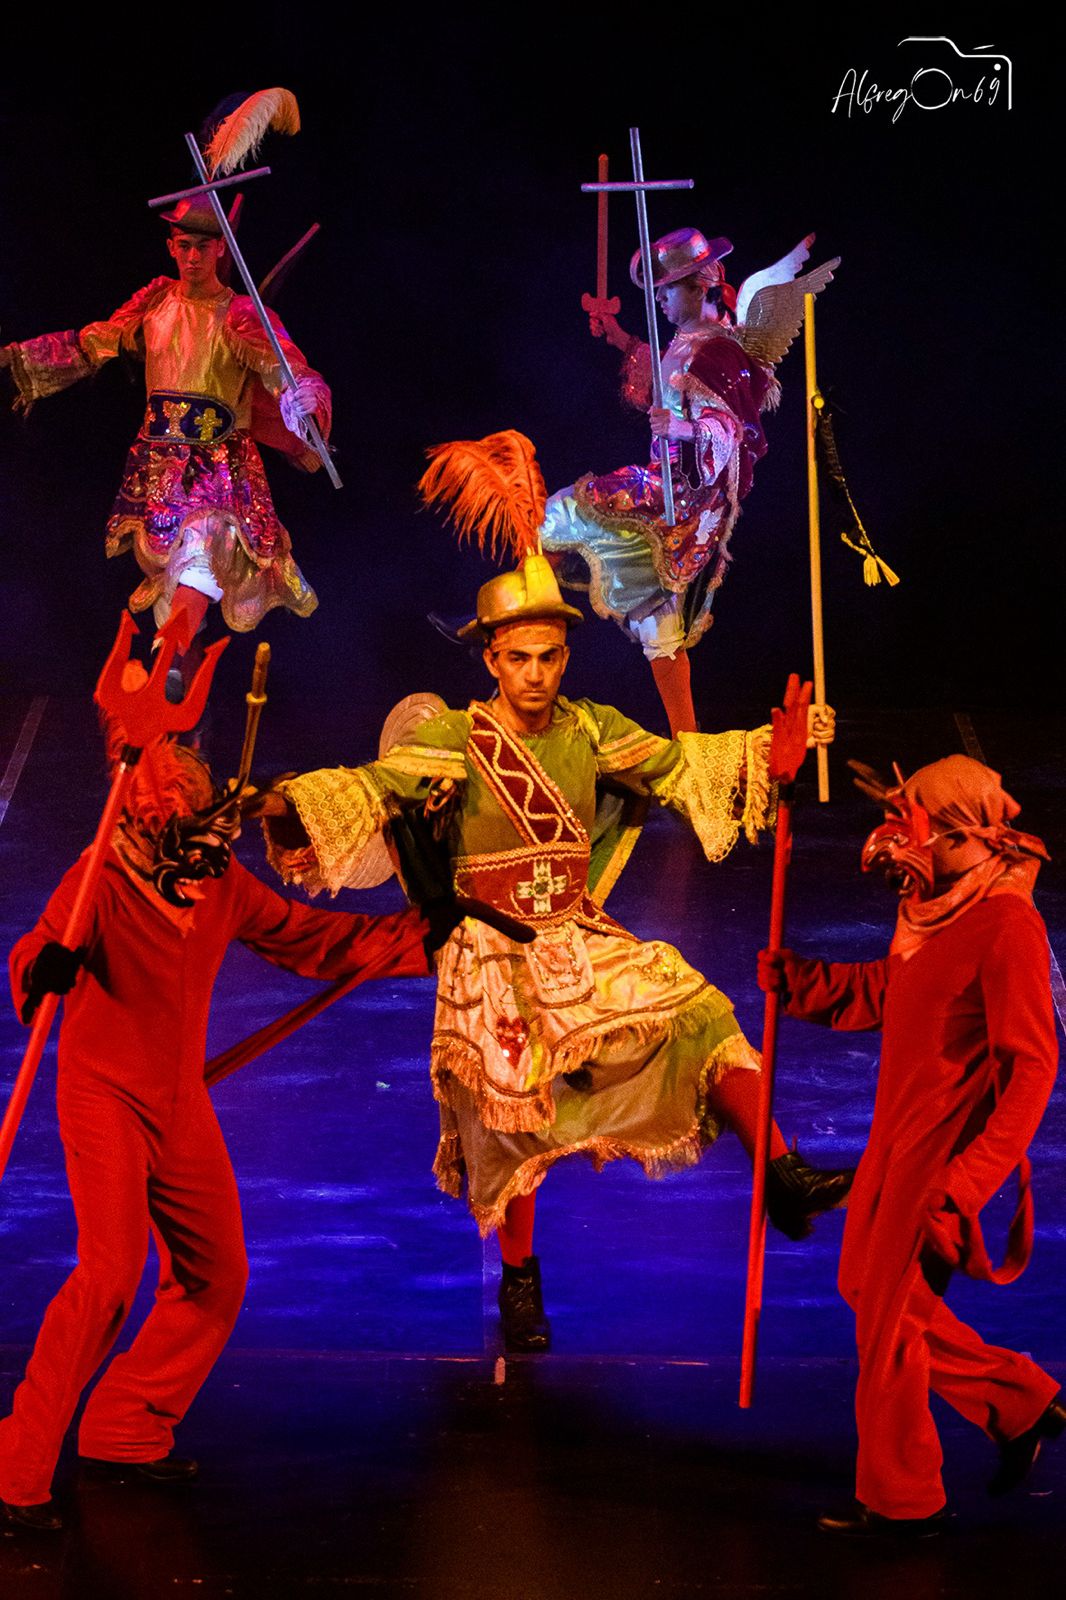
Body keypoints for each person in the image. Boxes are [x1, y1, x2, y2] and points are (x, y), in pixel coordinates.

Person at [261, 554, 851, 1353]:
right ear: (493, 659)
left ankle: (783, 1172)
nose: (534, 674)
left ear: (564, 657)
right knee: (516, 1108)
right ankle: (520, 1280)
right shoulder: (456, 738)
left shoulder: (593, 729)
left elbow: (683, 770)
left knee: (699, 1011)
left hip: (574, 933)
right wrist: (290, 804)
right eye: (518, 659)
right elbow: (376, 785)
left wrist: (761, 758)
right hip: (490, 949)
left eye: (548, 657)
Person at [0, 721, 436, 1533]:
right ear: (136, 813)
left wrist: (424, 936)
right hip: (102, 1096)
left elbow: (312, 939)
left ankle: (126, 1425)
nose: (190, 833)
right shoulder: (97, 878)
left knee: (217, 1277)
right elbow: (35, 949)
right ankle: (17, 1461)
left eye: (199, 817)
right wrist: (42, 968)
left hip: (178, 1103)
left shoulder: (221, 883)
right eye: (169, 813)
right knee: (108, 1275)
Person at [758, 755, 1063, 1539]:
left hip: (940, 1154)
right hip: (896, 1136)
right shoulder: (935, 907)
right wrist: (803, 984)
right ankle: (1019, 1402)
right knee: (869, 1288)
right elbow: (895, 996)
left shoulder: (1007, 925)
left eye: (918, 820)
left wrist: (967, 1183)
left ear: (958, 829)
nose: (903, 838)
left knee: (890, 1324)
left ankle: (902, 1499)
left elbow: (1033, 1068)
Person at [0, 198, 330, 655]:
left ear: (221, 251)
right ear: (171, 247)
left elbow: (287, 369)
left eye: (202, 246)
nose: (192, 257)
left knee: (203, 547)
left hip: (218, 462)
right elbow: (92, 342)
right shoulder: (155, 304)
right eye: (184, 245)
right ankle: (174, 667)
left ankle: (169, 653)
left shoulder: (240, 314)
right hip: (158, 463)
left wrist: (303, 400)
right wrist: (20, 360)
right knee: (170, 569)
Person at [541, 228, 836, 736]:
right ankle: (690, 744)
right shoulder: (686, 342)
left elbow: (730, 430)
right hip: (671, 487)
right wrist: (616, 335)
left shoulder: (718, 352)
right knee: (659, 624)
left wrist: (680, 428)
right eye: (656, 291)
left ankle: (521, 616)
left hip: (686, 497)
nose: (658, 299)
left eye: (667, 289)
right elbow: (657, 378)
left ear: (700, 287)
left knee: (561, 511)